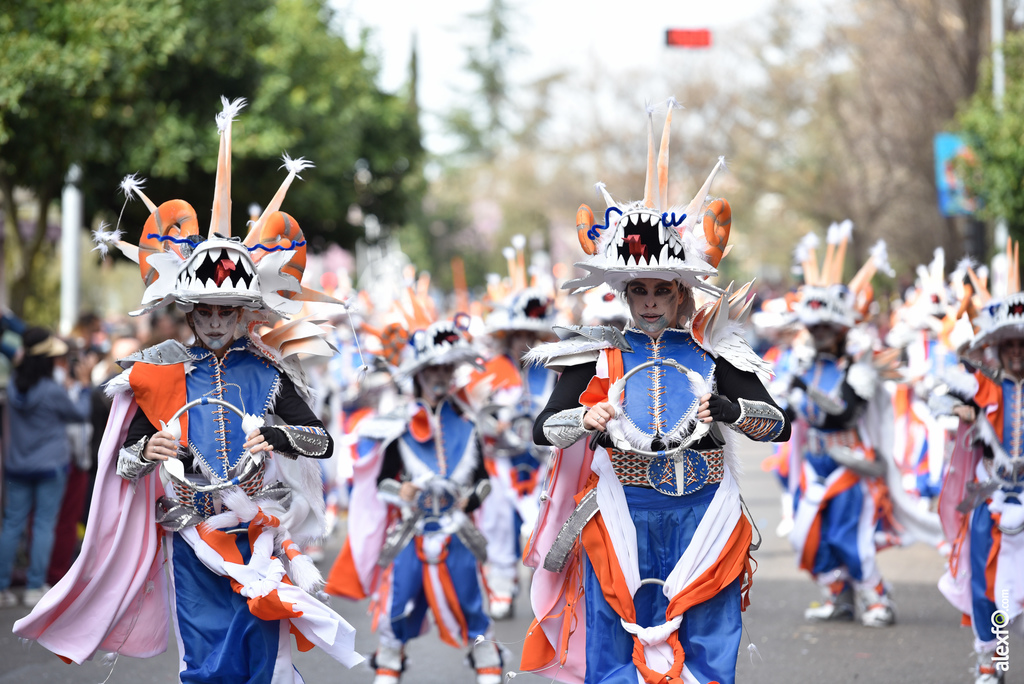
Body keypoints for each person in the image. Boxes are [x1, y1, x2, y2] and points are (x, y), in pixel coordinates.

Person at [14, 98, 363, 680]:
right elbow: (120, 463)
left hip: (259, 537)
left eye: (228, 308)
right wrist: (144, 452)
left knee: (259, 661)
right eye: (205, 307)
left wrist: (274, 435)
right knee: (204, 664)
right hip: (190, 539)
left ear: (246, 310)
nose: (216, 319)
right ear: (187, 310)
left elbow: (321, 442)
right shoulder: (157, 371)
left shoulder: (269, 371)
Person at [521, 100, 790, 684]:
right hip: (623, 512)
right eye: (637, 289)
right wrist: (589, 418)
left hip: (704, 514)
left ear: (680, 292)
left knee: (709, 640)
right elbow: (543, 427)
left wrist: (724, 409)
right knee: (614, 642)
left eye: (660, 289)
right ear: (623, 292)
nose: (648, 301)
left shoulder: (716, 350)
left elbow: (778, 421)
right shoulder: (596, 349)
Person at [326, 309, 504, 684]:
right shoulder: (398, 424)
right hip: (411, 530)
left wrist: (467, 500)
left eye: (445, 371)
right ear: (419, 374)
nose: (439, 378)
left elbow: (485, 481)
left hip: (457, 531)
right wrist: (402, 490)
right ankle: (390, 661)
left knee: (471, 600)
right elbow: (380, 485)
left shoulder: (469, 423)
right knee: (399, 601)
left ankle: (486, 657)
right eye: (432, 371)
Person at [939, 240, 1024, 684]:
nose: (1015, 352)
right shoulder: (979, 385)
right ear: (997, 347)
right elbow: (938, 397)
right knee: (991, 585)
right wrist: (960, 411)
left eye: (1021, 345)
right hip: (989, 498)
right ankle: (993, 660)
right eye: (1008, 344)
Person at [0, 327, 91, 608]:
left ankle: (2, 587)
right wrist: (85, 387)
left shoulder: (14, 385)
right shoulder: (52, 391)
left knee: (12, 525)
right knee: (43, 525)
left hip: (17, 466)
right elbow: (81, 413)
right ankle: (34, 586)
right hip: (51, 468)